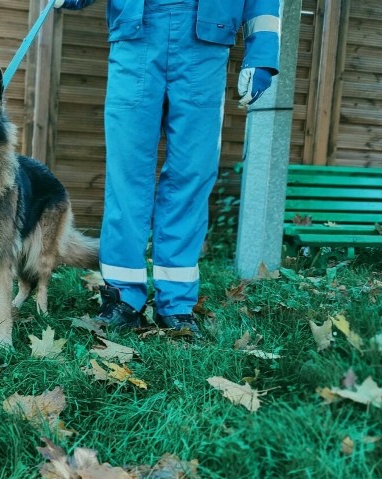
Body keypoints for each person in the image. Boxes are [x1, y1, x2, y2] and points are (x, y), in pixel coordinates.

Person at [54, 0, 280, 337]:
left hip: (205, 42)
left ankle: (177, 304)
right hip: (136, 34)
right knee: (126, 174)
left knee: (192, 175)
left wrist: (262, 54)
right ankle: (121, 299)